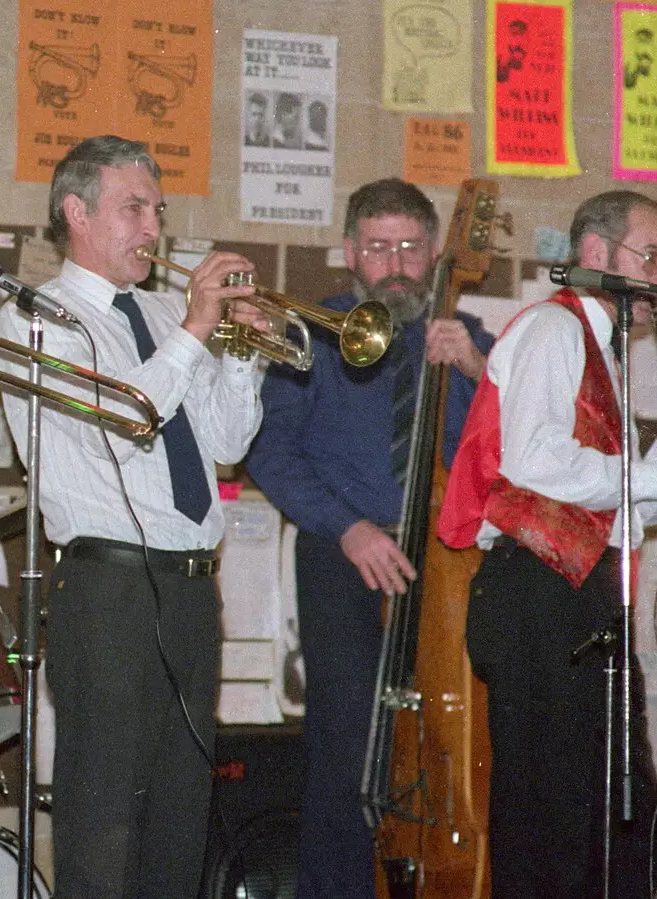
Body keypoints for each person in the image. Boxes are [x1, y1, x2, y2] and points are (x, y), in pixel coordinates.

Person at [0, 135, 267, 898]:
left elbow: (227, 442)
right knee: (103, 816)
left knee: (182, 812)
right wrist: (199, 327)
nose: (154, 228)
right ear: (76, 213)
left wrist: (242, 348)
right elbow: (128, 414)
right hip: (106, 591)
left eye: (158, 210)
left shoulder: (165, 312)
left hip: (188, 589)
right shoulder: (37, 320)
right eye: (134, 208)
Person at [437, 190, 657, 899]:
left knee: (622, 812)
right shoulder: (552, 328)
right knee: (556, 820)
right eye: (652, 258)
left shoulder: (600, 352)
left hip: (577, 596)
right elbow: (531, 460)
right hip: (535, 598)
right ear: (596, 256)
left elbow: (605, 513)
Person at [247, 178, 492, 899]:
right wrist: (346, 527)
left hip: (445, 564)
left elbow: (511, 450)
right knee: (349, 752)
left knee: (451, 747)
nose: (394, 264)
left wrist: (479, 372)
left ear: (436, 251)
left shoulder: (467, 334)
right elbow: (271, 451)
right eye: (378, 246)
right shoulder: (311, 332)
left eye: (410, 247)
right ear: (351, 251)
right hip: (343, 554)